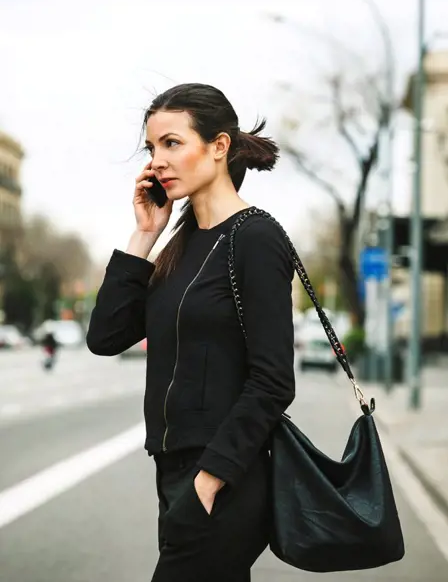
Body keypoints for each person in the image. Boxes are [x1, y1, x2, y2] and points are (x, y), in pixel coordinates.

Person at [86, 83, 295, 582]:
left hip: (222, 477)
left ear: (219, 147)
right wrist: (144, 234)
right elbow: (106, 336)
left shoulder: (256, 237)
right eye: (152, 147)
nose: (157, 160)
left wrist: (211, 477)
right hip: (174, 471)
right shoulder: (181, 245)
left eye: (172, 143)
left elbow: (273, 380)